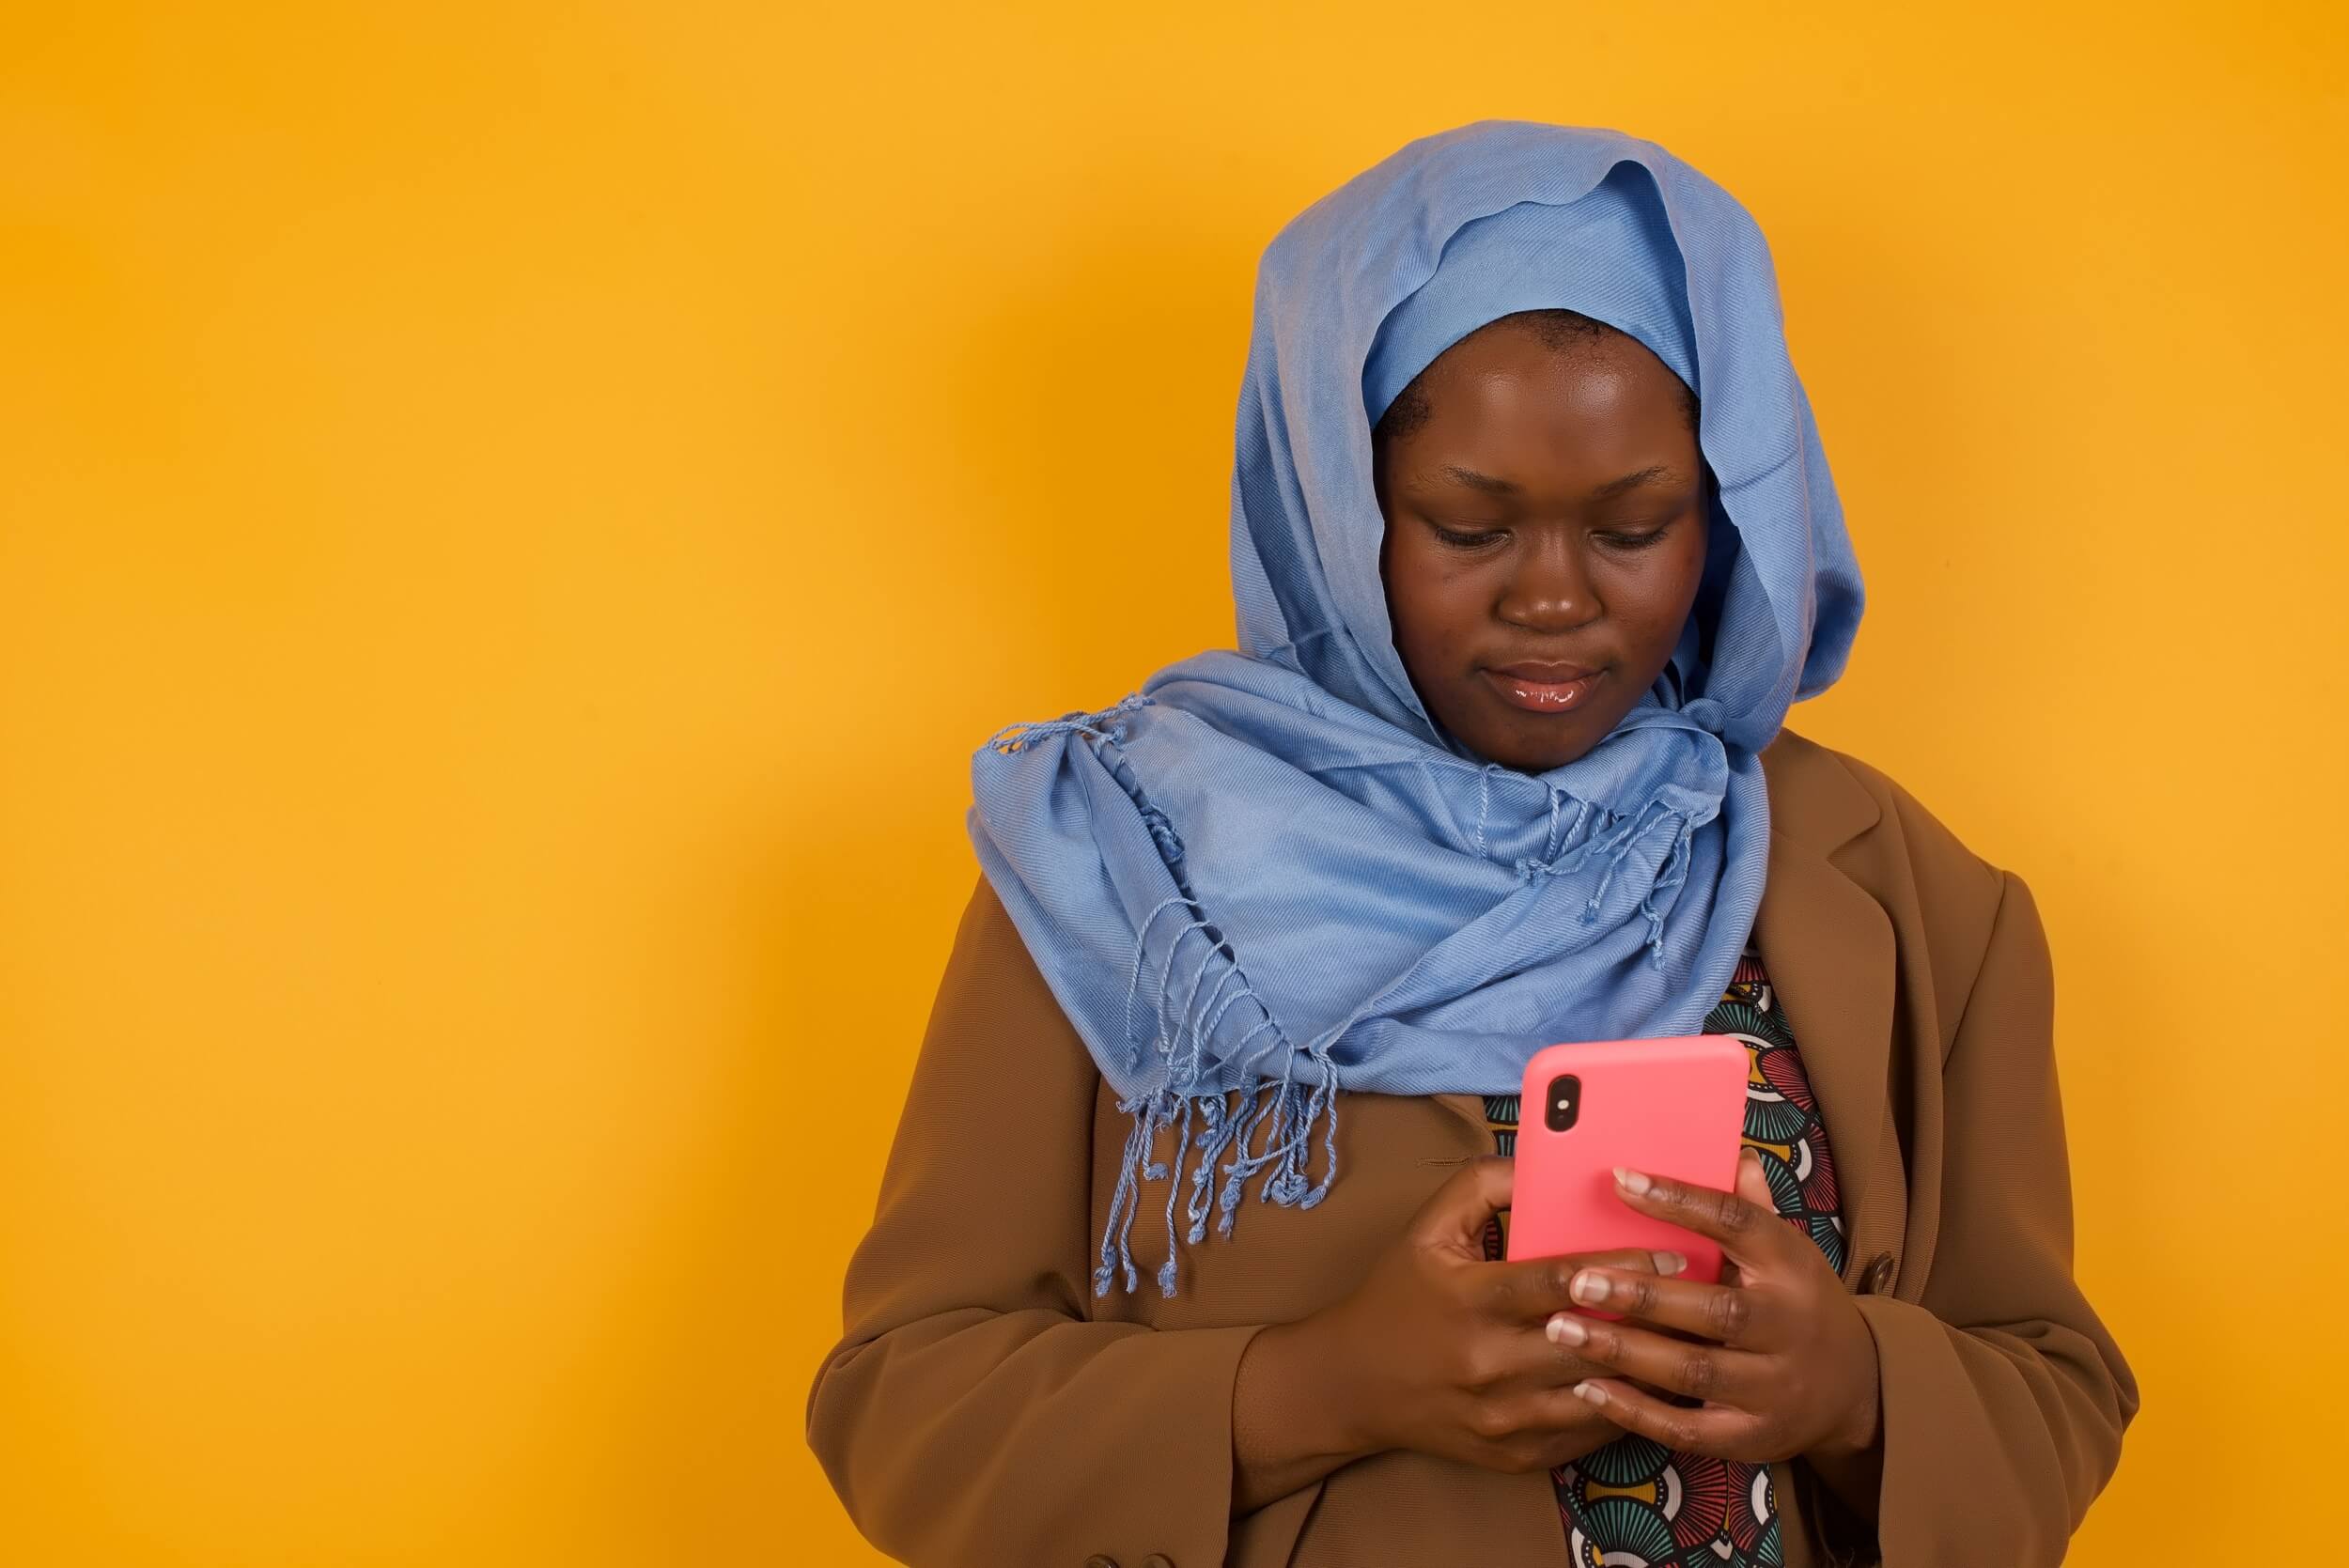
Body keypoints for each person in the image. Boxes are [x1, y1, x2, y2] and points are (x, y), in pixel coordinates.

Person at [805, 120, 2136, 1568]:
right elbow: (902, 1402)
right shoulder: (1124, 865)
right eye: (1467, 525)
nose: (1555, 599)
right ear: (1333, 504)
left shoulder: (1916, 900)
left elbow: (2054, 1388)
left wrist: (1855, 1386)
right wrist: (1320, 1385)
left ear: (1728, 523)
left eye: (1634, 526)